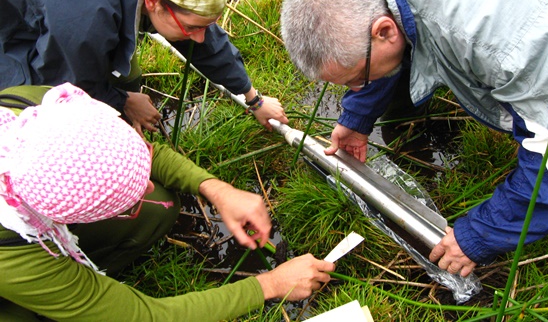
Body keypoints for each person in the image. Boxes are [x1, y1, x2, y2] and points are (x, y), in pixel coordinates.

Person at [280, 0, 548, 277]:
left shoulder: (504, 42)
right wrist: (358, 115)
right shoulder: (384, 11)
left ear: (384, 31)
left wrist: (481, 233)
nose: (358, 87)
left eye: (358, 79)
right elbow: (404, 27)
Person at [0, 83, 334, 321]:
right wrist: (271, 284)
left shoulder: (40, 110)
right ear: (59, 215)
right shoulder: (13, 258)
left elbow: (146, 154)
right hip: (11, 277)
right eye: (125, 203)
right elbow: (145, 316)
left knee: (158, 206)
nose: (146, 186)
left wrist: (217, 189)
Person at [0, 0, 288, 137]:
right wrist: (122, 100)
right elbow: (62, 87)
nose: (199, 38)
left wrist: (253, 98)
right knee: (45, 117)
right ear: (152, 2)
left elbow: (206, 40)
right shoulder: (86, 24)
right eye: (191, 27)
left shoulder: (169, 2)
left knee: (119, 70)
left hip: (70, 31)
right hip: (17, 42)